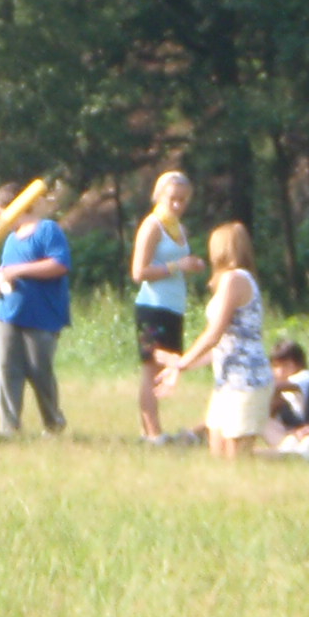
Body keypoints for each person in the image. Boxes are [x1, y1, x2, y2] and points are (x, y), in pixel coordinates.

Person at [155, 222, 273, 461]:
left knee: (237, 458)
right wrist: (183, 366)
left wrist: (181, 363)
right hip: (226, 381)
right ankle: (294, 455)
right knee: (218, 453)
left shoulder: (235, 280)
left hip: (247, 380)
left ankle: (296, 456)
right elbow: (223, 344)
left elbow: (213, 334)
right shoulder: (229, 281)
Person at [0, 182, 70, 437]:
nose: (2, 221)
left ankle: (53, 423)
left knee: (39, 370)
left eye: (4, 213)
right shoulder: (11, 239)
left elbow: (59, 264)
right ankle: (9, 426)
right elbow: (6, 269)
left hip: (42, 315)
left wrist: (18, 271)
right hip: (8, 313)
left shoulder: (47, 230)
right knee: (6, 368)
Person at [131, 171, 204, 442]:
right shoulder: (153, 226)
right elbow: (139, 272)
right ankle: (153, 434)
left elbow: (178, 265)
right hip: (153, 306)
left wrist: (192, 265)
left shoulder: (178, 228)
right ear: (159, 196)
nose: (177, 205)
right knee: (152, 367)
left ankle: (147, 430)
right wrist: (176, 266)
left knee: (162, 369)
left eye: (183, 200)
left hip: (174, 307)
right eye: (172, 198)